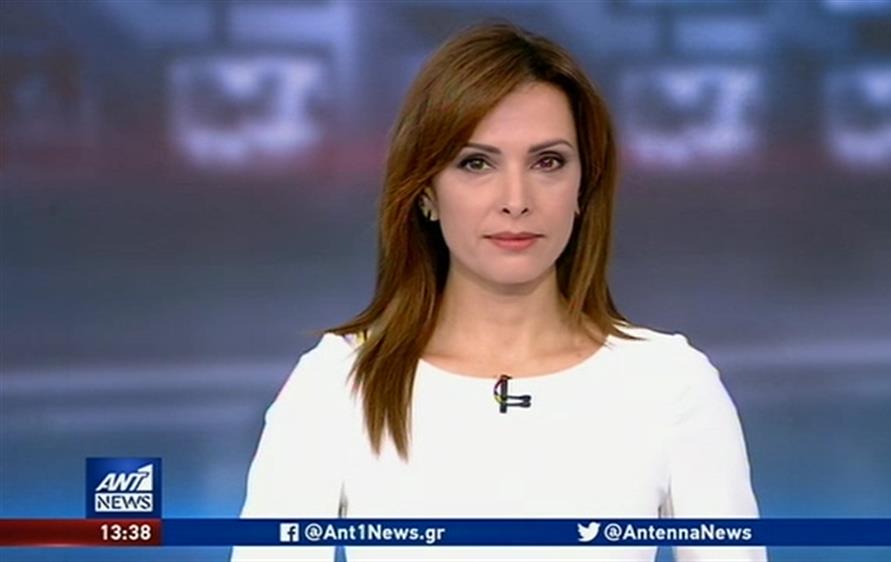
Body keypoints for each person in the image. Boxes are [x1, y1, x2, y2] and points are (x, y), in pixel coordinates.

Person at [231, 20, 766, 562]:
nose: (515, 199)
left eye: (548, 162)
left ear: (583, 188)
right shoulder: (338, 384)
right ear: (425, 193)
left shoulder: (671, 384)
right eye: (476, 163)